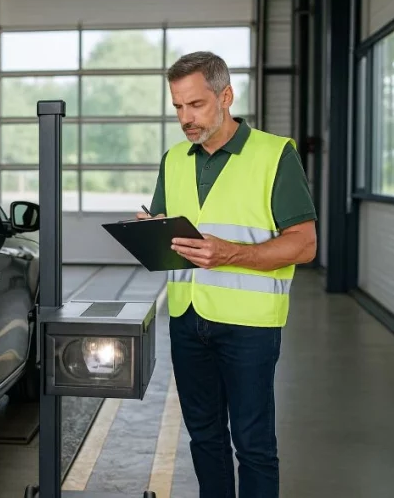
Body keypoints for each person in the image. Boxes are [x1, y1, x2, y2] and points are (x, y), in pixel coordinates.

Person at [136, 51, 317, 497]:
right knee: (204, 438)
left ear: (226, 96)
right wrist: (150, 233)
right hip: (187, 319)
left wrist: (233, 254)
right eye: (177, 107)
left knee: (253, 445)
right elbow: (168, 229)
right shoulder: (174, 159)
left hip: (249, 325)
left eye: (195, 105)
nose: (185, 118)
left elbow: (305, 243)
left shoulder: (275, 155)